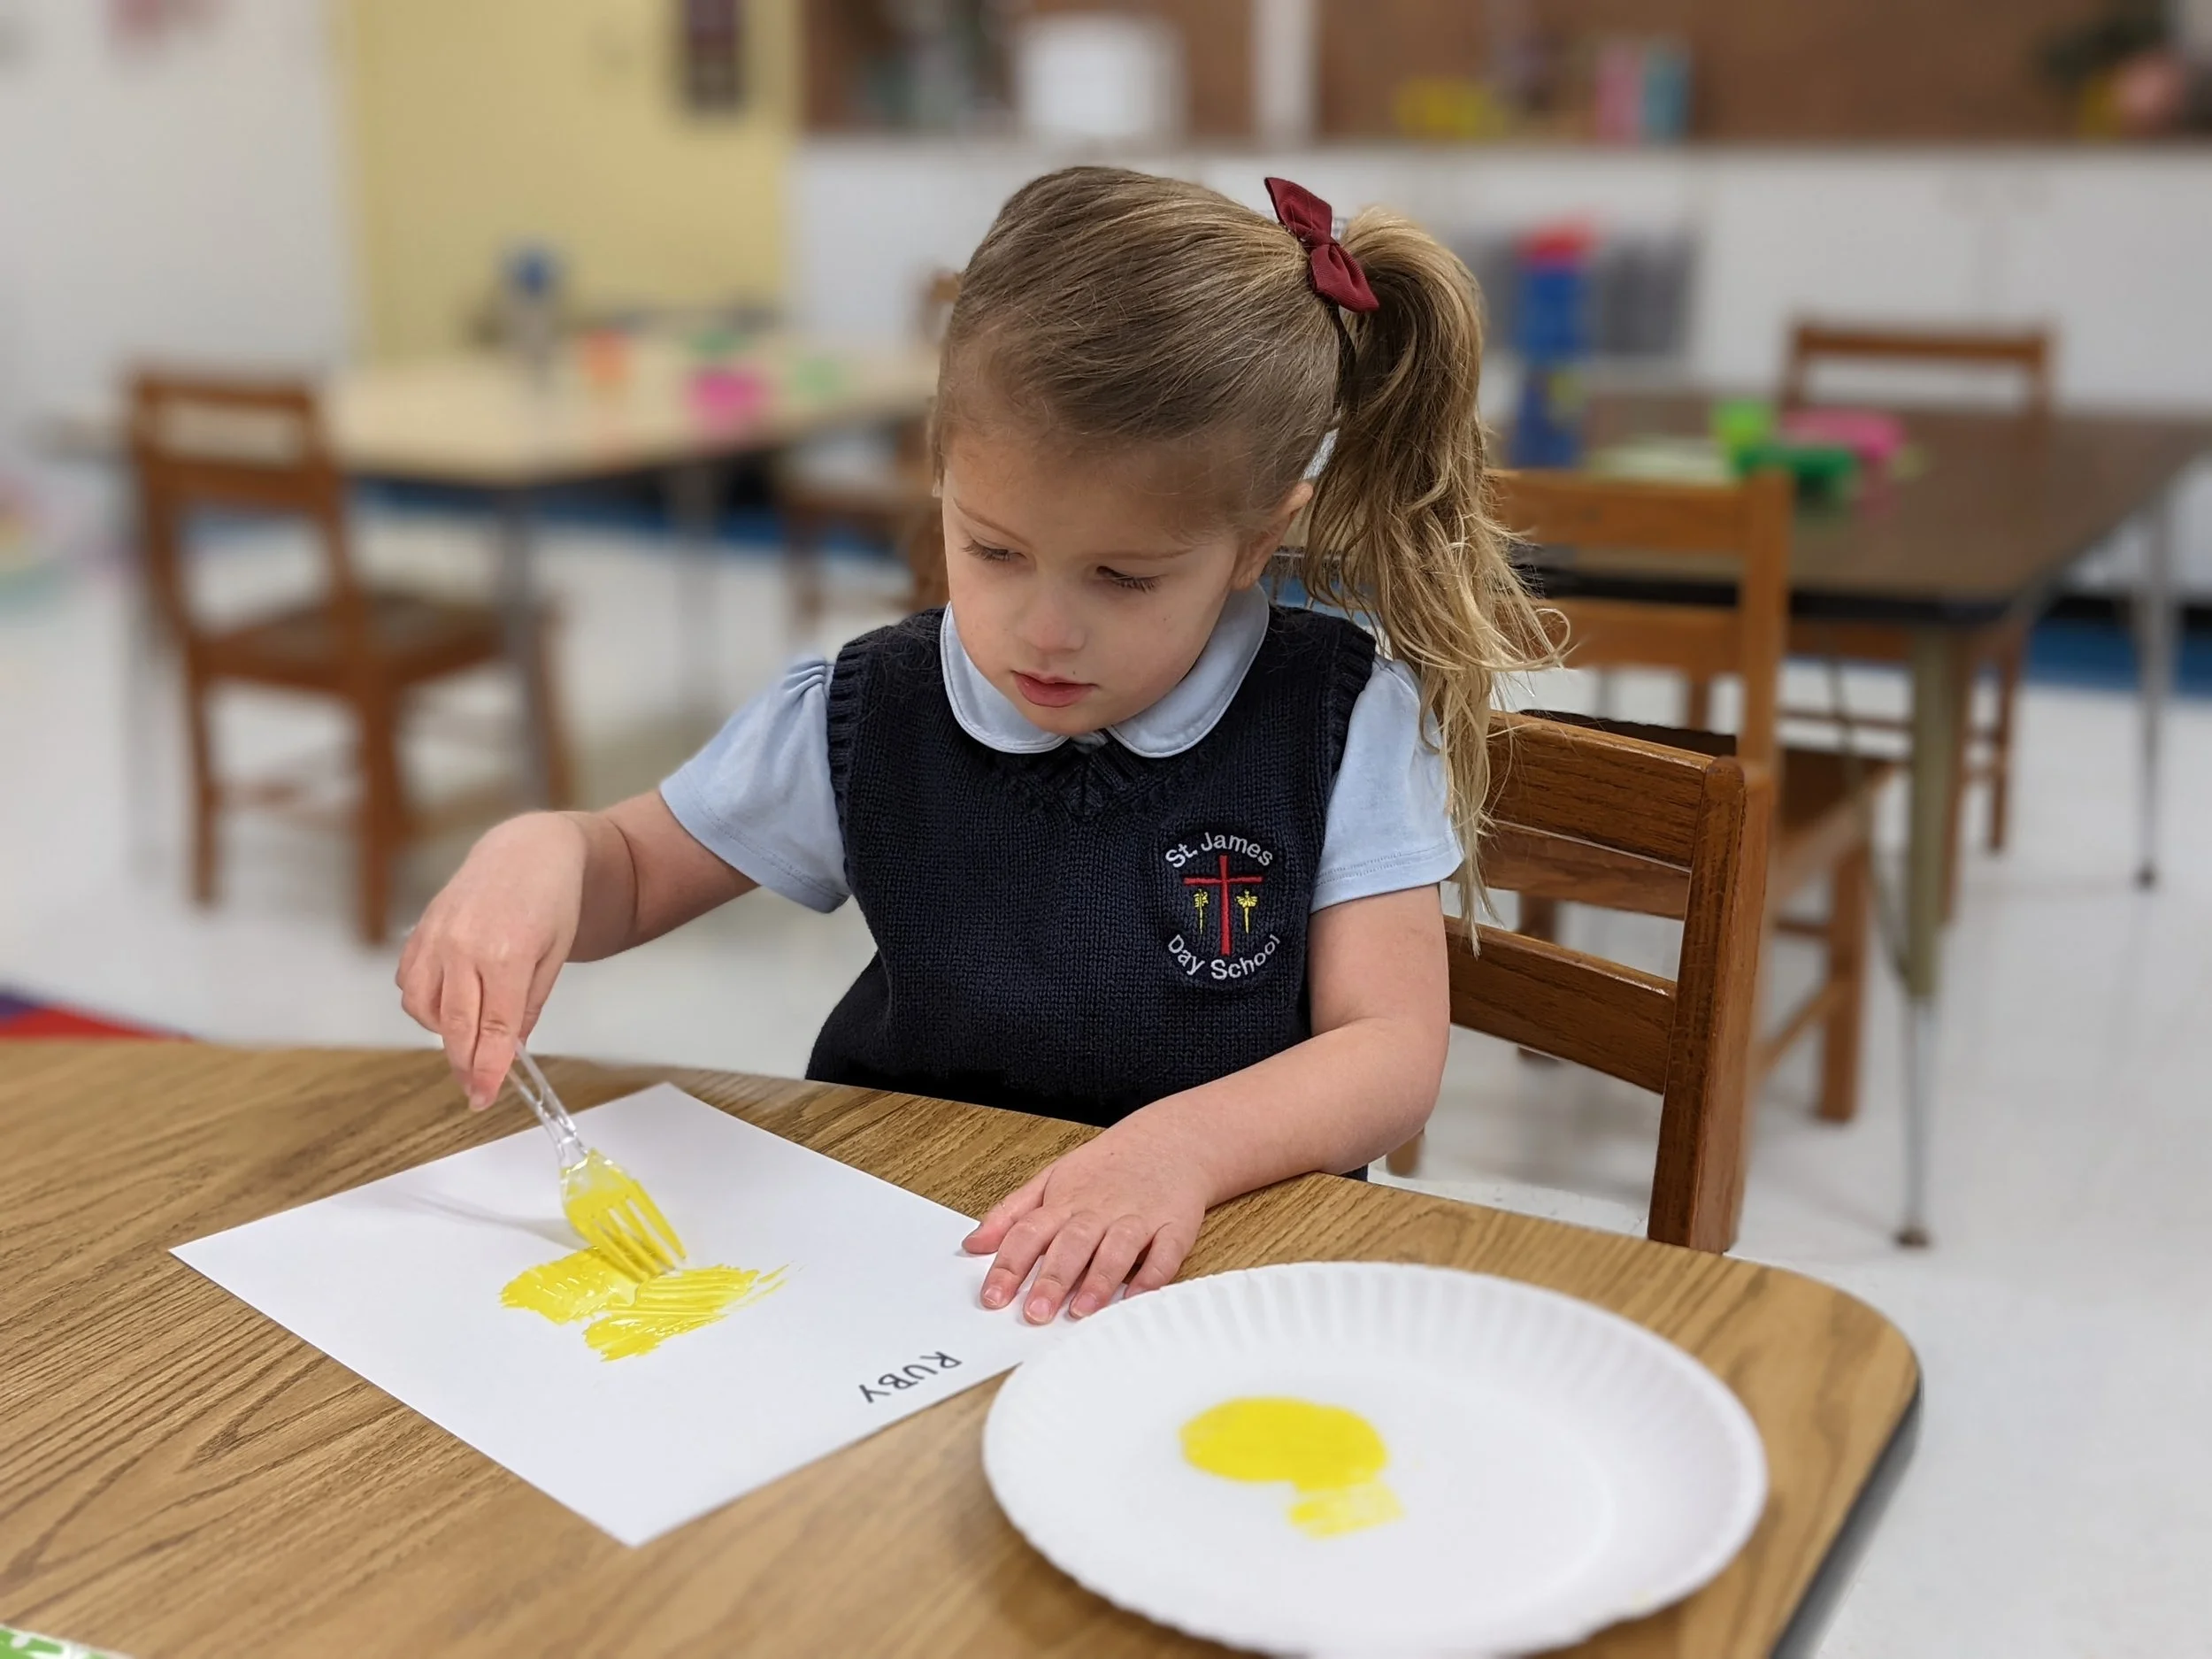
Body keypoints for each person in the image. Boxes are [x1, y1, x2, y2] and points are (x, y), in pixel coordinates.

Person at [398, 167, 1548, 1326]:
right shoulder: (867, 708)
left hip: (1216, 1264)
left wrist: (1183, 1149)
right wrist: (545, 851)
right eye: (994, 551)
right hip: (911, 1254)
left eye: (1122, 577)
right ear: (941, 474)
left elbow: (1390, 1048)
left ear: (1258, 541)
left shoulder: (1341, 720)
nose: (1044, 630)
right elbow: (634, 868)